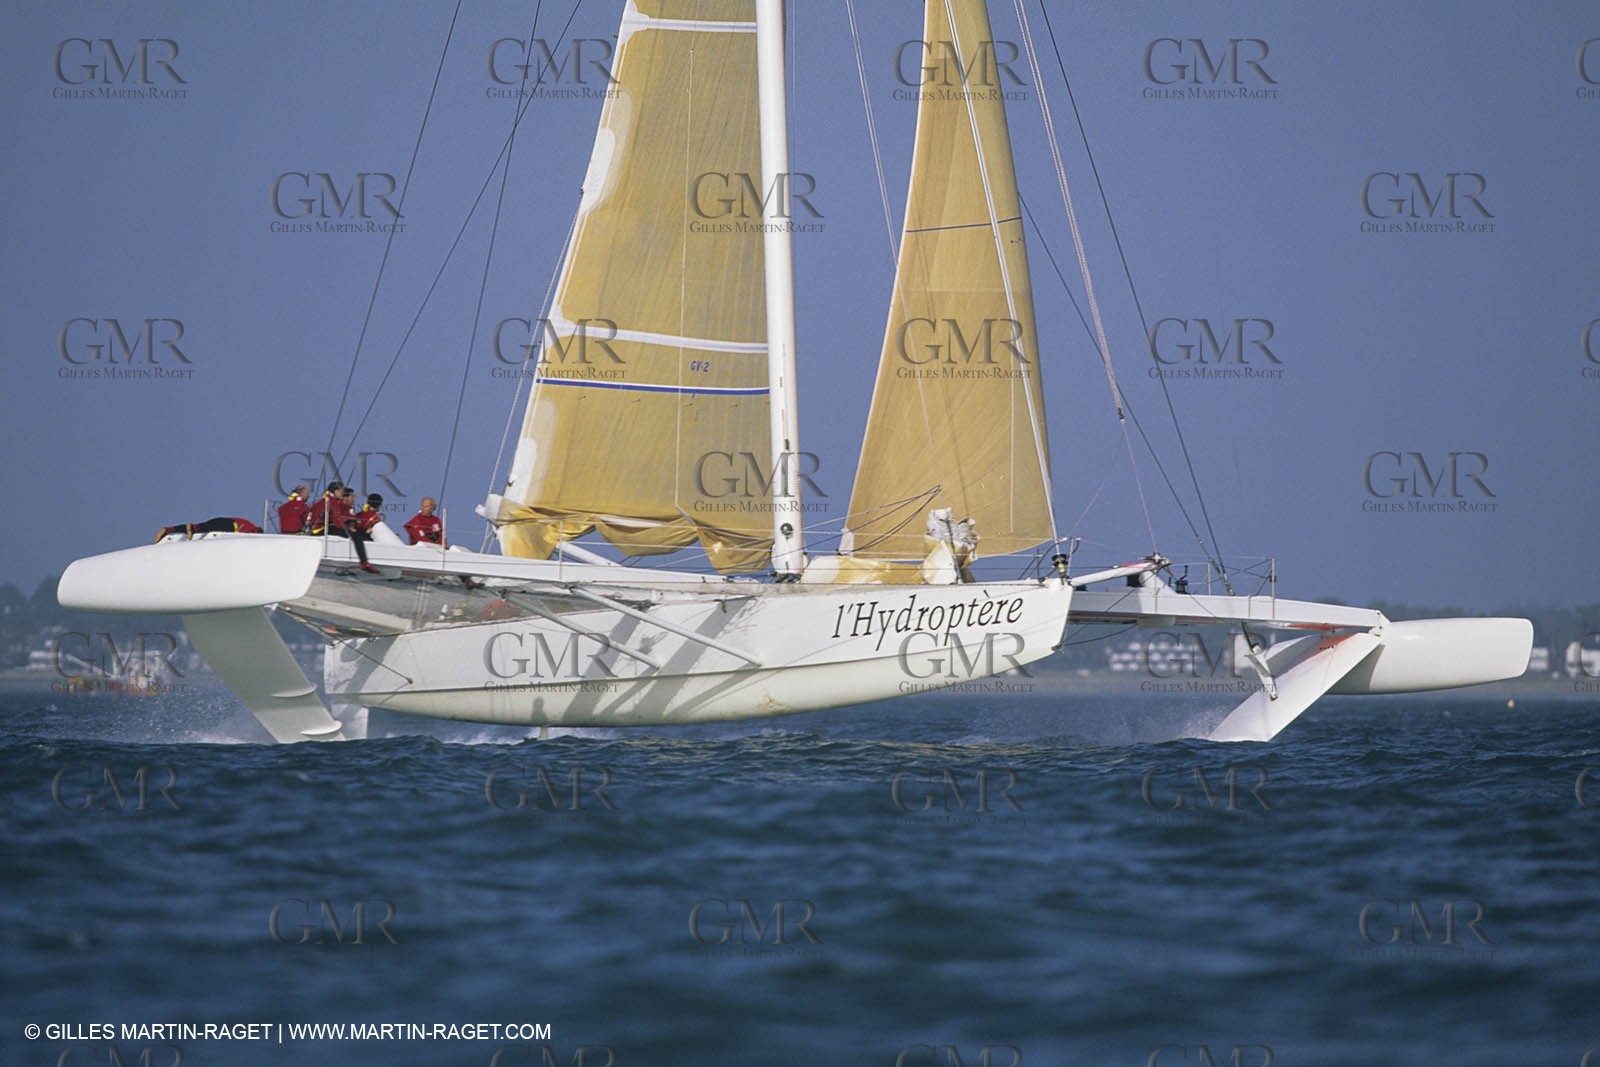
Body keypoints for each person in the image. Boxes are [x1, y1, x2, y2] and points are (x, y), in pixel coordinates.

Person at [309, 482, 378, 573]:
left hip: (315, 530)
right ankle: (364, 562)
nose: (342, 493)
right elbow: (337, 521)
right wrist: (349, 529)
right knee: (357, 536)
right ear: (336, 491)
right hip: (324, 529)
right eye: (341, 491)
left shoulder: (322, 501)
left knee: (355, 534)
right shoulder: (334, 501)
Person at [155, 517, 262, 541]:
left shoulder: (249, 526)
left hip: (222, 522)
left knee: (199, 528)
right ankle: (189, 528)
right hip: (227, 524)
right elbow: (237, 531)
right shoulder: (249, 527)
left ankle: (169, 530)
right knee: (201, 528)